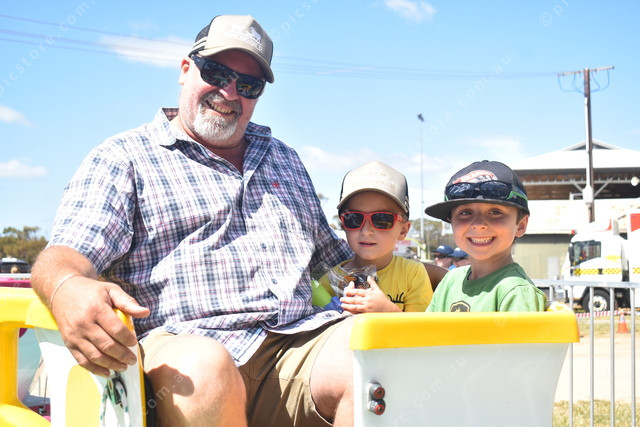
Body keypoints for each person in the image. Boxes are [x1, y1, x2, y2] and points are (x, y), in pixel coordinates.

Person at [31, 15, 357, 426]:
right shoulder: (124, 157)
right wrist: (67, 287)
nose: (229, 92)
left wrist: (425, 280)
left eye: (249, 85)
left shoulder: (285, 159)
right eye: (216, 73)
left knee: (372, 353)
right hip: (185, 348)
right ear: (186, 69)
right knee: (206, 368)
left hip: (295, 344)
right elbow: (66, 255)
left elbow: (337, 265)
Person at [424, 160, 547, 312]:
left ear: (520, 226)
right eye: (465, 213)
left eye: (495, 212)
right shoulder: (450, 281)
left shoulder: (516, 292)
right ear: (452, 223)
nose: (478, 224)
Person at [317, 160, 433, 314]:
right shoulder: (329, 281)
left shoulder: (413, 273)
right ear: (343, 225)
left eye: (382, 219)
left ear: (403, 230)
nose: (366, 231)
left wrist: (388, 312)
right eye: (354, 218)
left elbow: (422, 327)